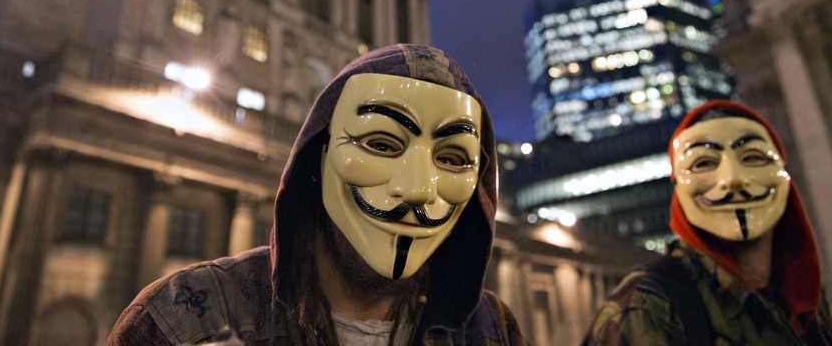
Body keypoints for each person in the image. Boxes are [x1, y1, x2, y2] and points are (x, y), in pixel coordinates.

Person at [107, 44, 525, 346]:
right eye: (381, 144)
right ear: (319, 157)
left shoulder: (492, 329)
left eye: (452, 159)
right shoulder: (182, 319)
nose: (417, 189)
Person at [583, 99, 832, 345]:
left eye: (753, 157)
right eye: (704, 163)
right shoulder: (648, 305)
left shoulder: (803, 297)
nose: (732, 179)